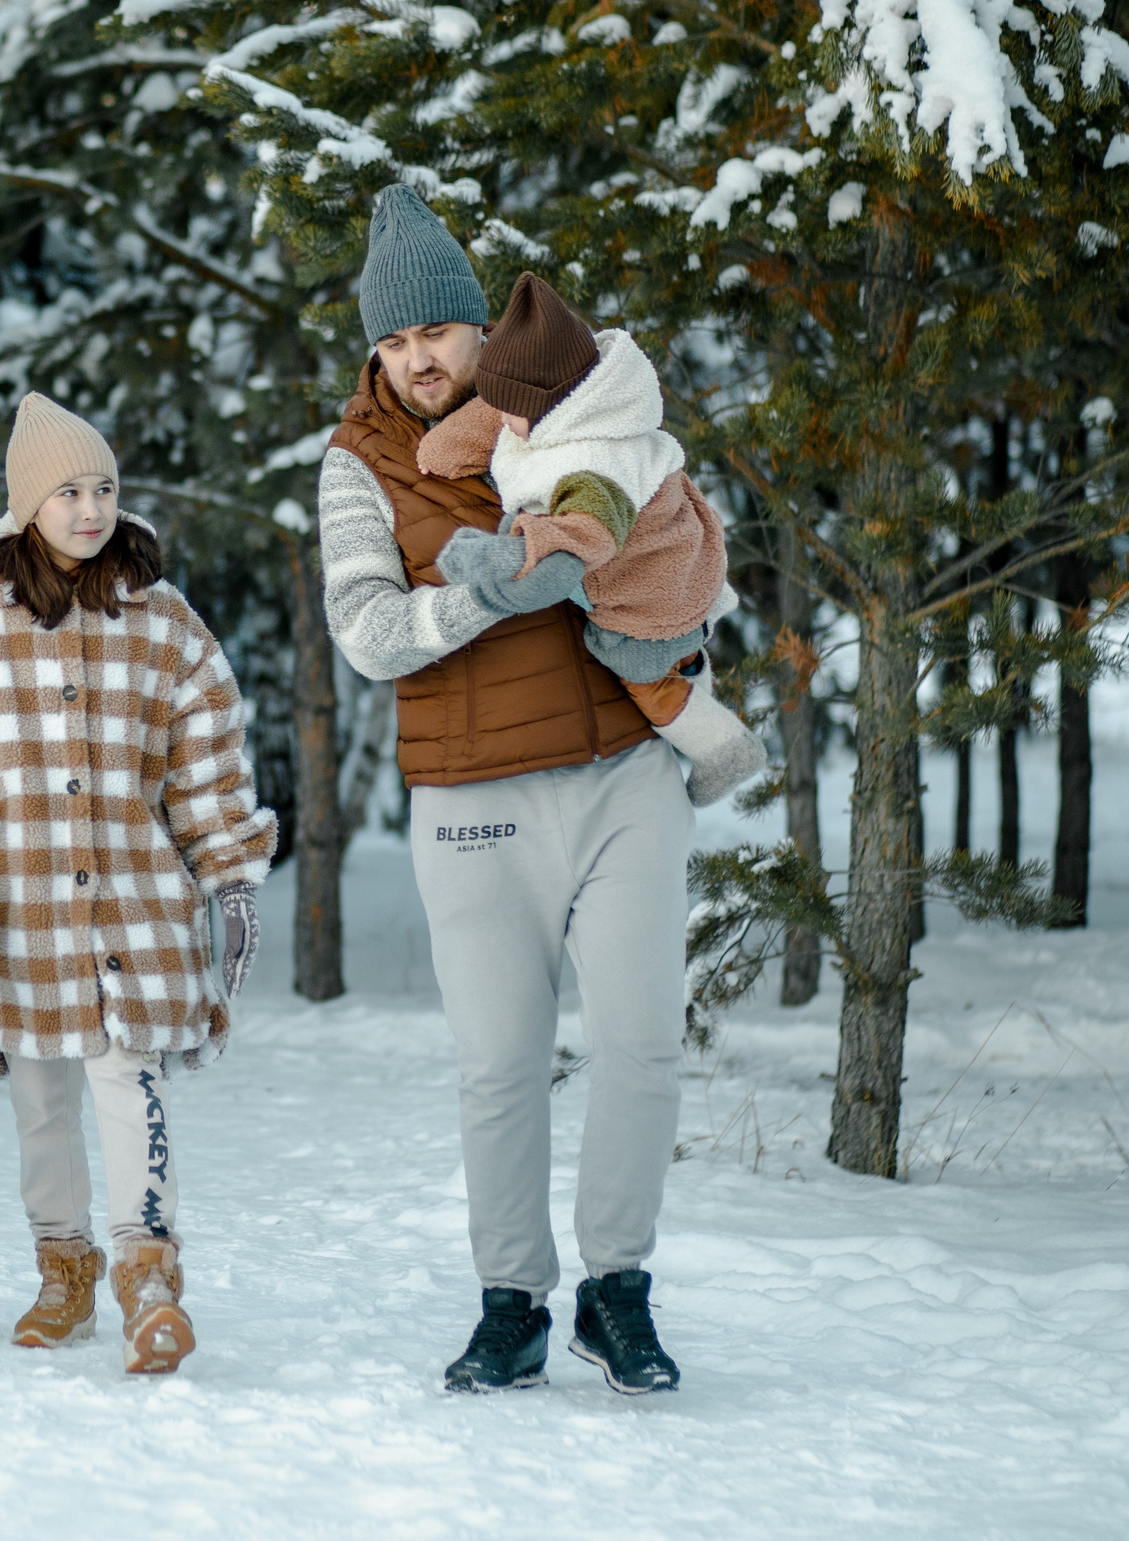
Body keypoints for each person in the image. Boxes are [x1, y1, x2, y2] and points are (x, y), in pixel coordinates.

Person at [315, 184, 699, 1395]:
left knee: (640, 1045)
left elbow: (670, 535)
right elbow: (366, 633)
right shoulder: (357, 463)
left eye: (434, 331)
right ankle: (511, 1304)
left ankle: (616, 1291)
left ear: (479, 325)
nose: (417, 359)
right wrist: (490, 592)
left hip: (620, 771)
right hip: (470, 796)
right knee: (498, 1065)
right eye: (393, 341)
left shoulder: (581, 400)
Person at [0, 392, 275, 1376]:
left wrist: (230, 876)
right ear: (28, 504)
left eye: (103, 487)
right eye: (69, 492)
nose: (92, 508)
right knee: (43, 1102)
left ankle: (149, 1277)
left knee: (129, 1079)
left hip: (136, 912)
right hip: (21, 917)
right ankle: (63, 1270)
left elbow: (207, 761)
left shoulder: (161, 621)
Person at [418, 270, 765, 805]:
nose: (500, 420)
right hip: (685, 560)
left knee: (644, 677)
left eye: (508, 409)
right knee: (679, 655)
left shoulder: (594, 469)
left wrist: (505, 557)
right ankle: (693, 672)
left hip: (651, 593)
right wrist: (440, 449)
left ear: (543, 406)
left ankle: (724, 749)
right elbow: (485, 424)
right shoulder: (571, 397)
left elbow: (581, 538)